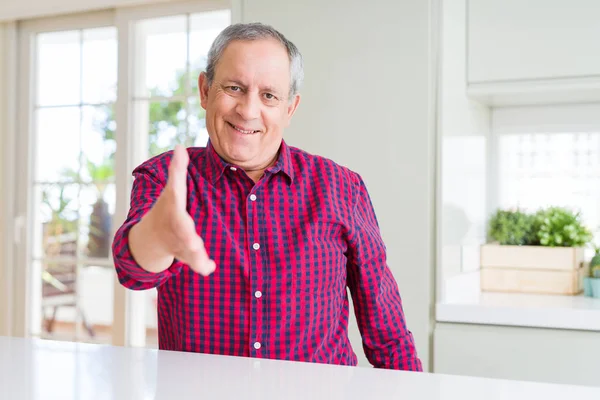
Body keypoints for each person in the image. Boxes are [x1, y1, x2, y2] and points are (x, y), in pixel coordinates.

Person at [112, 22, 422, 371]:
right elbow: (131, 271)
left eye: (269, 95)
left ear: (289, 108)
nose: (247, 110)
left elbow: (387, 334)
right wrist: (157, 236)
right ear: (205, 90)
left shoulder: (341, 188)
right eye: (234, 88)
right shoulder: (166, 179)